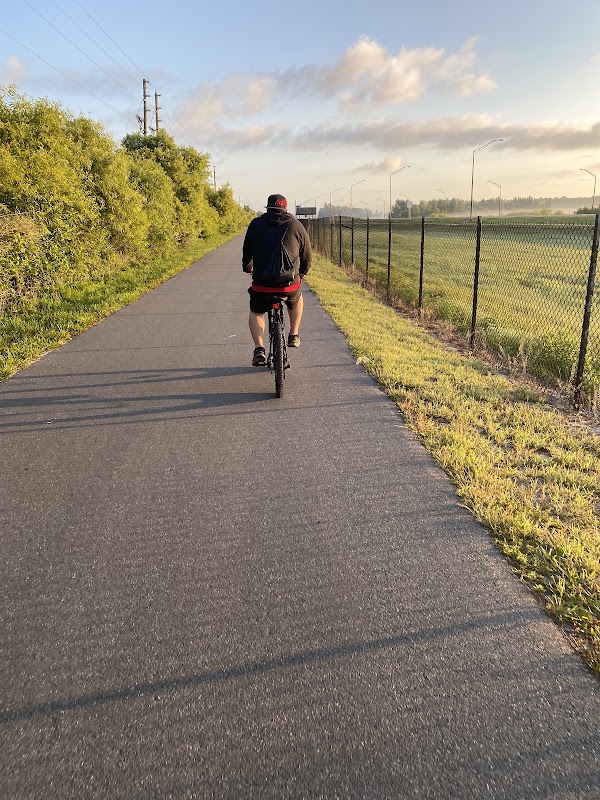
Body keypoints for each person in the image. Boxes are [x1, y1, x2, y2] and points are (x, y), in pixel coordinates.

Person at [242, 194, 312, 366]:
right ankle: (294, 335)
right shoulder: (296, 225)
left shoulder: (256, 224)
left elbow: (247, 250)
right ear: (285, 208)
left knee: (256, 311)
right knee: (297, 299)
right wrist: (301, 273)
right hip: (288, 285)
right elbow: (307, 255)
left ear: (268, 208)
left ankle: (259, 348)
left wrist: (247, 266)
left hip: (262, 286)